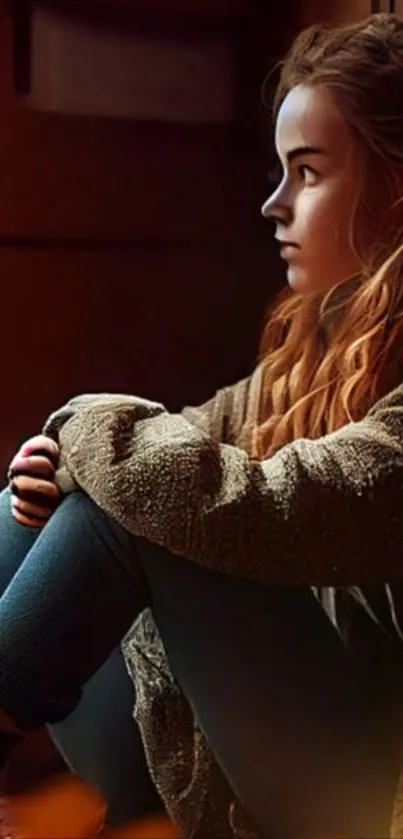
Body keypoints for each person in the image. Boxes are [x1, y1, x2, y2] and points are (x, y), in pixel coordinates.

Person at [3, 10, 403, 838]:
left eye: (307, 172)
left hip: (368, 791)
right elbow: (179, 438)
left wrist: (87, 429)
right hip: (270, 756)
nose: (272, 203)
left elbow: (274, 503)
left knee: (147, 503)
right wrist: (55, 468)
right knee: (58, 498)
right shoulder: (312, 351)